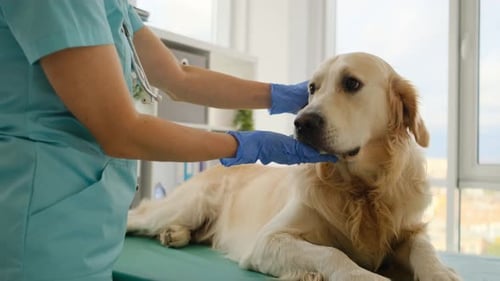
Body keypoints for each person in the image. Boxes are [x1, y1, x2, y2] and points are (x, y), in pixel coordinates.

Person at [0, 1, 337, 281]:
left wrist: (278, 95)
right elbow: (121, 130)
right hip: (42, 221)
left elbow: (177, 77)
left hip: (84, 222)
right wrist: (247, 145)